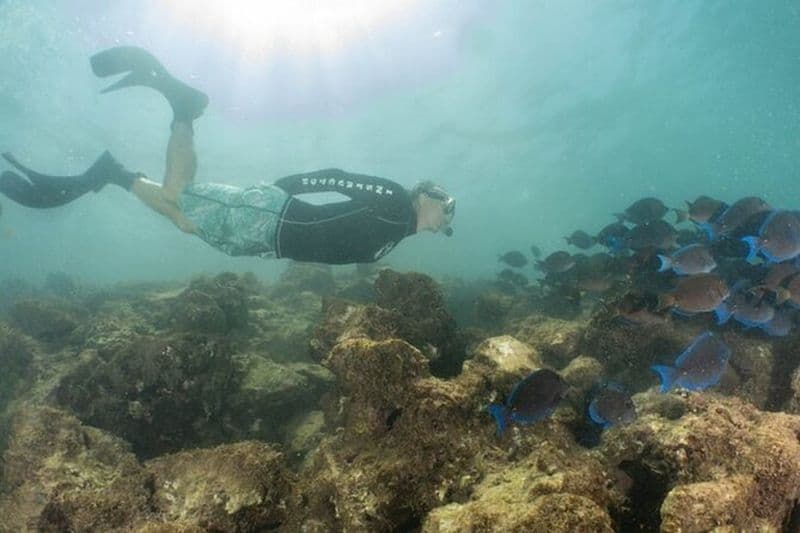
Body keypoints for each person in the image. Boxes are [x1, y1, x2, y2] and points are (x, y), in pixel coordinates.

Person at [0, 46, 455, 264]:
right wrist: (280, 192)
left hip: (265, 239)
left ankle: (115, 173)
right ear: (426, 196)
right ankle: (182, 113)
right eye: (446, 204)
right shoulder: (396, 199)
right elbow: (336, 178)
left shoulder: (400, 231)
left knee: (183, 216)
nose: (448, 215)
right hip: (270, 218)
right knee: (180, 199)